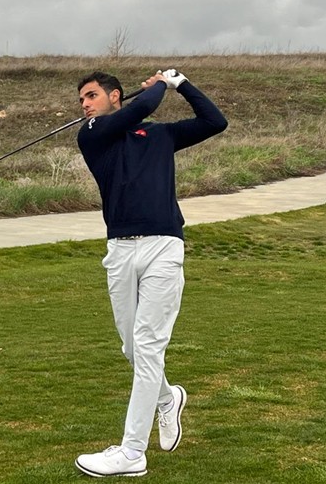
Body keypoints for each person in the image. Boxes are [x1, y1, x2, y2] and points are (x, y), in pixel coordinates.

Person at [73, 68, 228, 478]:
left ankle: (131, 452)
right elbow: (139, 108)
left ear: (114, 95)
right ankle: (167, 398)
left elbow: (215, 121)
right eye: (82, 99)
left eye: (91, 95)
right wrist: (160, 84)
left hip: (163, 245)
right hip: (120, 250)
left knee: (147, 346)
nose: (85, 104)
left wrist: (181, 84)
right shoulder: (92, 134)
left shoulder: (161, 135)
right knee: (132, 348)